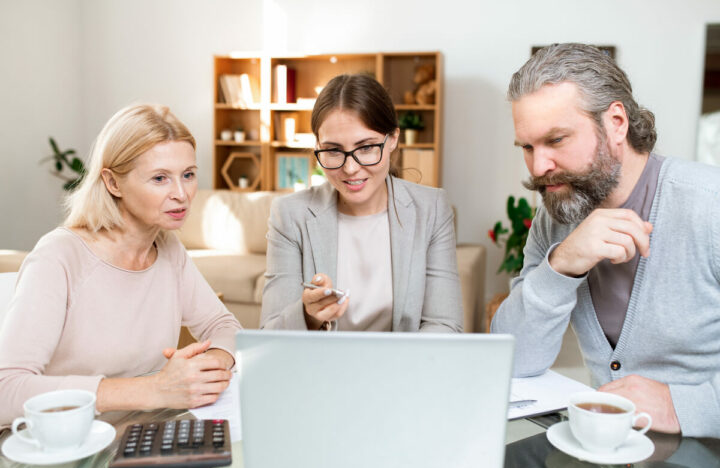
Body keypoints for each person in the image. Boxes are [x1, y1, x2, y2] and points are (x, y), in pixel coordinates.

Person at [491, 43, 720, 438]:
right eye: (528, 147)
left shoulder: (709, 204)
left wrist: (681, 405)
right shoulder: (554, 216)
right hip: (608, 454)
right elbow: (514, 359)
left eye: (556, 140)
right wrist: (561, 263)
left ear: (616, 122)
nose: (539, 166)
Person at [0, 104, 241, 425]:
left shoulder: (168, 249)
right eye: (160, 178)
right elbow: (7, 390)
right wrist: (153, 390)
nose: (182, 194)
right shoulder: (59, 255)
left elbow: (223, 327)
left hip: (140, 438)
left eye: (188, 175)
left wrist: (207, 367)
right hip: (65, 446)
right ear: (113, 183)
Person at [261, 74, 463, 332]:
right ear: (318, 146)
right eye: (333, 150)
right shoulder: (290, 215)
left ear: (392, 140)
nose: (351, 168)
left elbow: (444, 325)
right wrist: (309, 316)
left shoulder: (431, 209)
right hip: (322, 370)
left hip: (403, 369)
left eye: (366, 147)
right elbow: (269, 334)